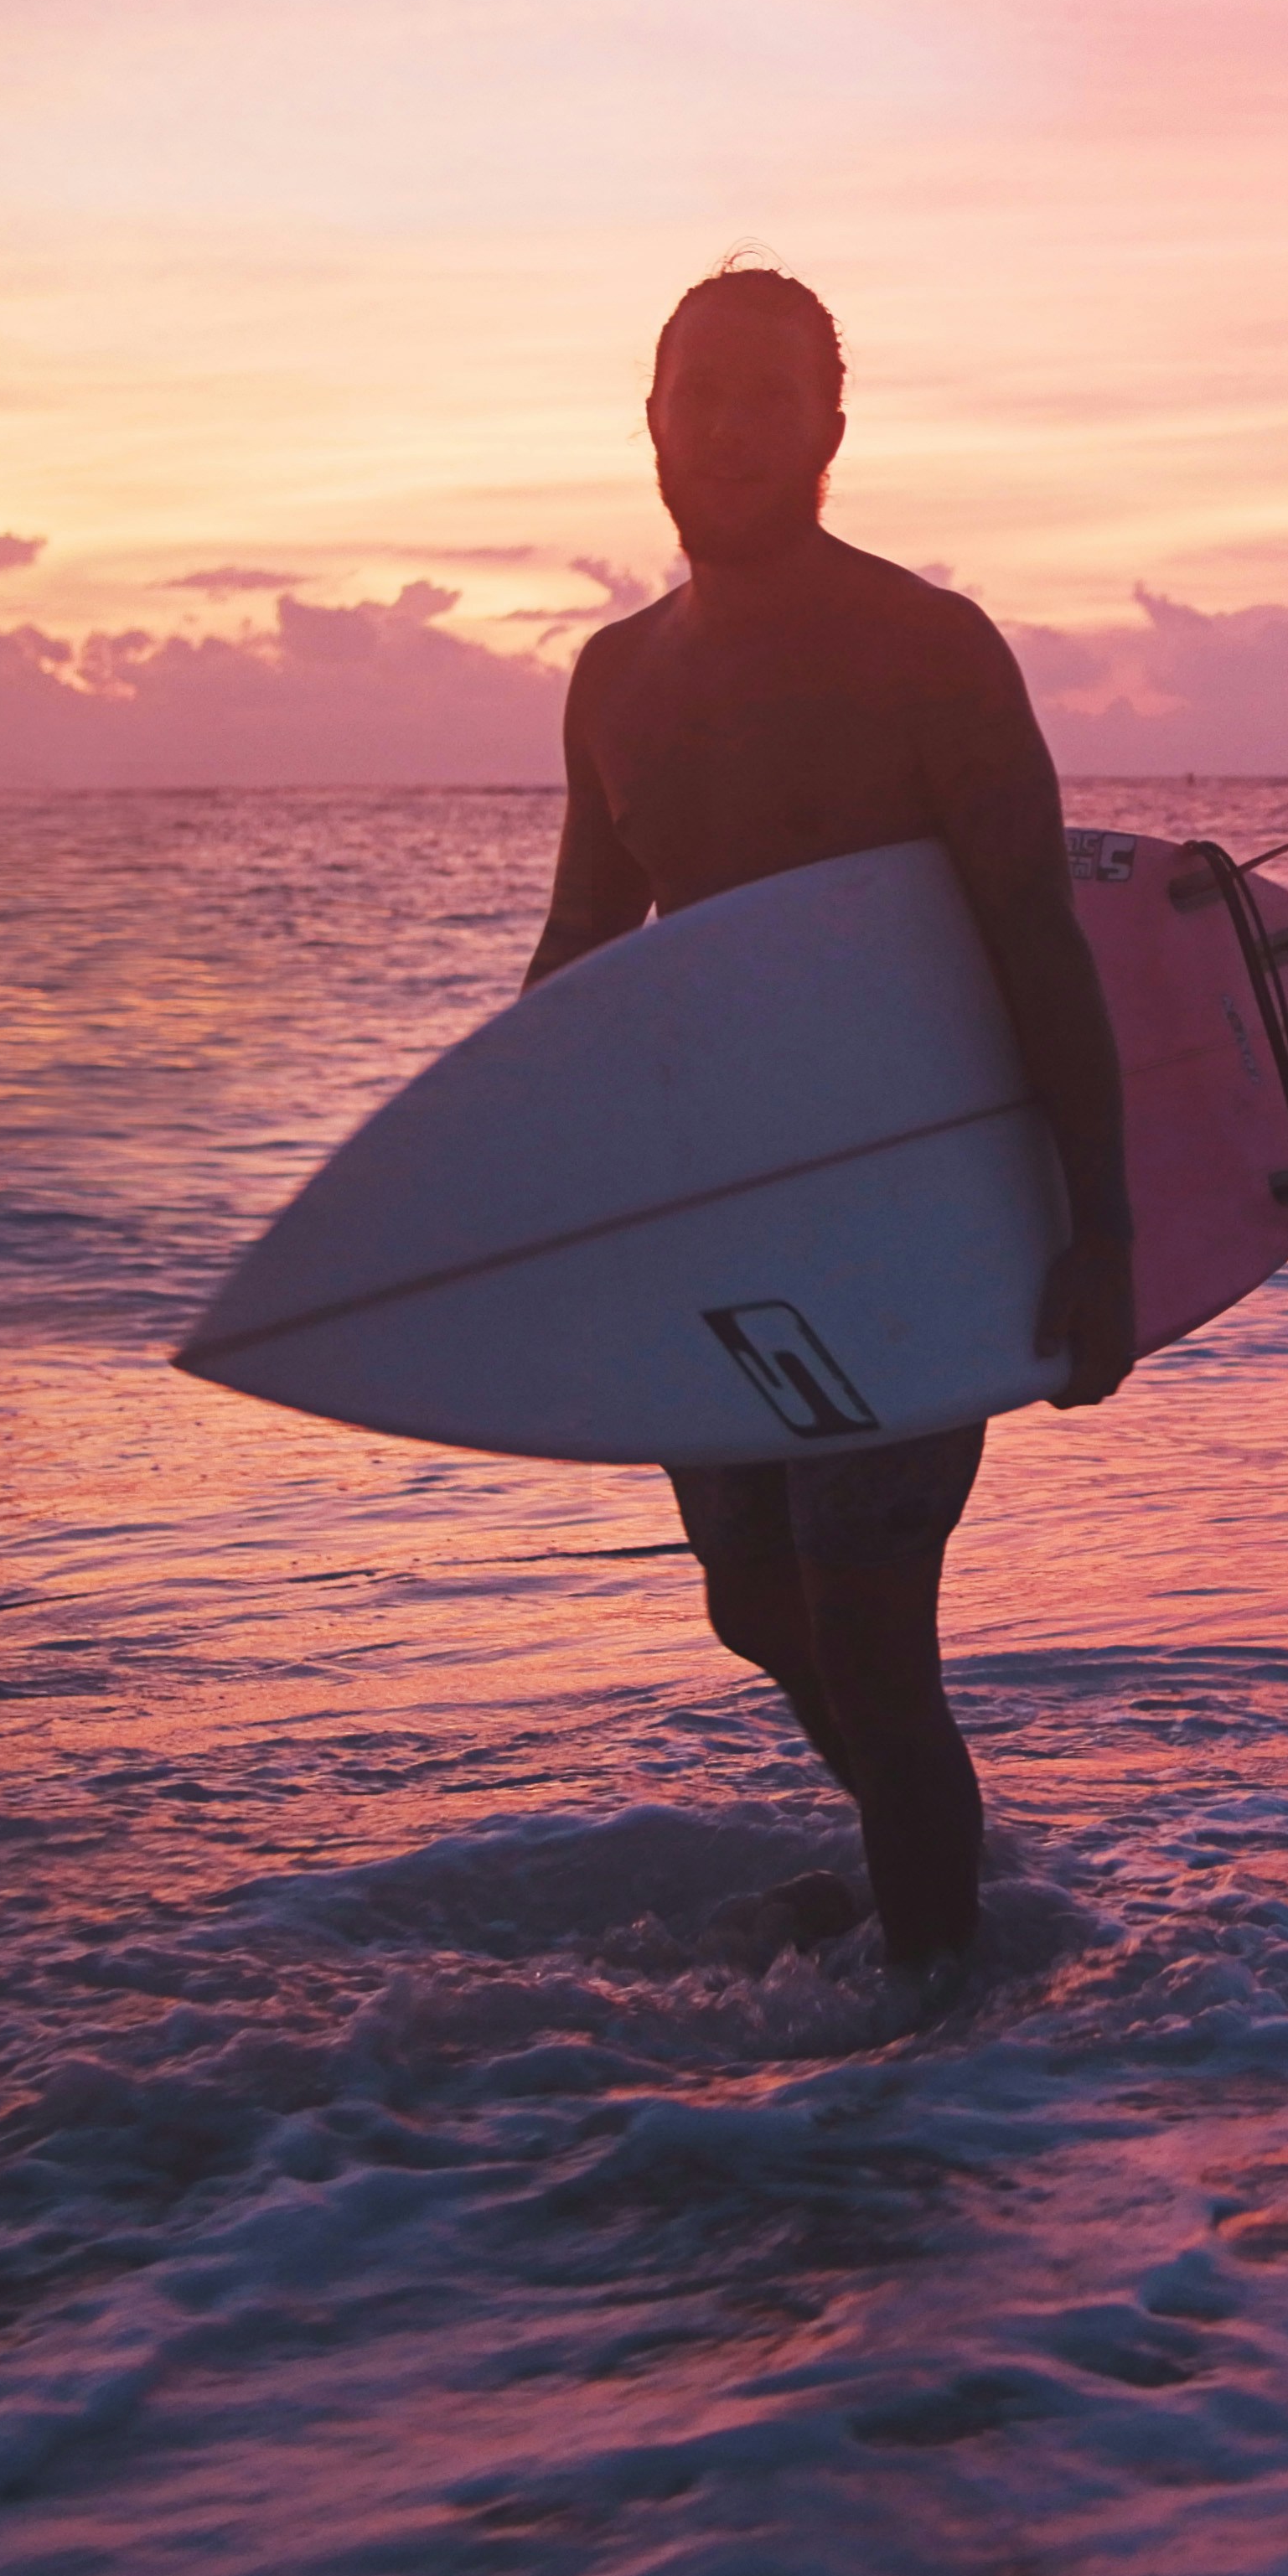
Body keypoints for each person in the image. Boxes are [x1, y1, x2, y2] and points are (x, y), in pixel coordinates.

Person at [521, 264, 1135, 1978]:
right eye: (695, 393)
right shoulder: (615, 677)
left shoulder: (927, 650)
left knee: (868, 1623)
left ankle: (934, 2039)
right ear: (648, 419)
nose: (726, 427)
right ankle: (940, 1881)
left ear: (832, 430)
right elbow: (586, 944)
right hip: (715, 1212)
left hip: (916, 1202)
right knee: (754, 1604)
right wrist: (503, 1190)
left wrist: (1101, 1237)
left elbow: (1035, 937)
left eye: (765, 396)